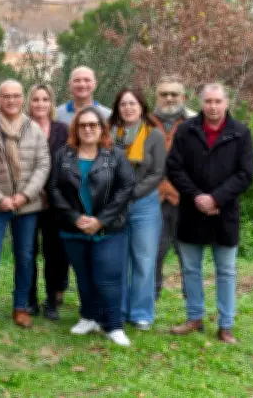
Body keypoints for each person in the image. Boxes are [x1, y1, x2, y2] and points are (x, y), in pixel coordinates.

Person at [167, 83, 253, 344]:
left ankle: (225, 326)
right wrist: (196, 196)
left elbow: (245, 174)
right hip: (191, 210)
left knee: (226, 271)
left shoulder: (241, 133)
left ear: (226, 102)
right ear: (201, 102)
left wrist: (216, 198)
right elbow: (174, 168)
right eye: (208, 101)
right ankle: (194, 318)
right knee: (191, 269)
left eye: (218, 101)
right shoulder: (186, 130)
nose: (213, 106)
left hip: (224, 213)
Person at [47, 107, 135, 346]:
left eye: (92, 125)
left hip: (108, 228)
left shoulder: (115, 155)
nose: (87, 129)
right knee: (84, 276)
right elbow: (53, 188)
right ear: (75, 128)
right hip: (73, 227)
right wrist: (75, 217)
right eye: (82, 125)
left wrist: (100, 220)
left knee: (108, 277)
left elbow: (126, 188)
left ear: (101, 128)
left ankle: (114, 325)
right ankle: (89, 317)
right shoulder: (63, 155)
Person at [0, 80, 50, 329]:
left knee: (25, 257)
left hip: (27, 206)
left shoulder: (33, 128)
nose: (12, 100)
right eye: (6, 96)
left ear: (22, 98)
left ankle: (20, 307)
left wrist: (25, 195)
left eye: (16, 96)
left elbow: (43, 165)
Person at [109, 89, 166, 330]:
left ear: (142, 107)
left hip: (145, 204)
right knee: (118, 260)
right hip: (115, 204)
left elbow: (158, 172)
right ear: (118, 108)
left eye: (132, 104)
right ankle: (119, 310)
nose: (128, 108)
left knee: (144, 259)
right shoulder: (110, 134)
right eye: (123, 104)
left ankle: (141, 312)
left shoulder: (154, 136)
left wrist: (132, 193)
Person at [26, 84, 70, 320]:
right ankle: (30, 298)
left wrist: (51, 191)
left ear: (51, 103)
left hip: (56, 202)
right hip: (29, 201)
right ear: (29, 103)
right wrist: (34, 191)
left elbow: (68, 164)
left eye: (44, 99)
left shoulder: (62, 130)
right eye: (35, 99)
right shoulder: (22, 129)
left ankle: (52, 299)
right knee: (28, 251)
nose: (40, 104)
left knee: (55, 253)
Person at [151, 75, 197, 301]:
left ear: (184, 97)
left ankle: (194, 310)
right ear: (157, 96)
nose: (169, 98)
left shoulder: (197, 121)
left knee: (189, 255)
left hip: (185, 201)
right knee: (152, 255)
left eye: (174, 94)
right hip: (153, 200)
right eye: (164, 94)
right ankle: (147, 306)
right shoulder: (144, 121)